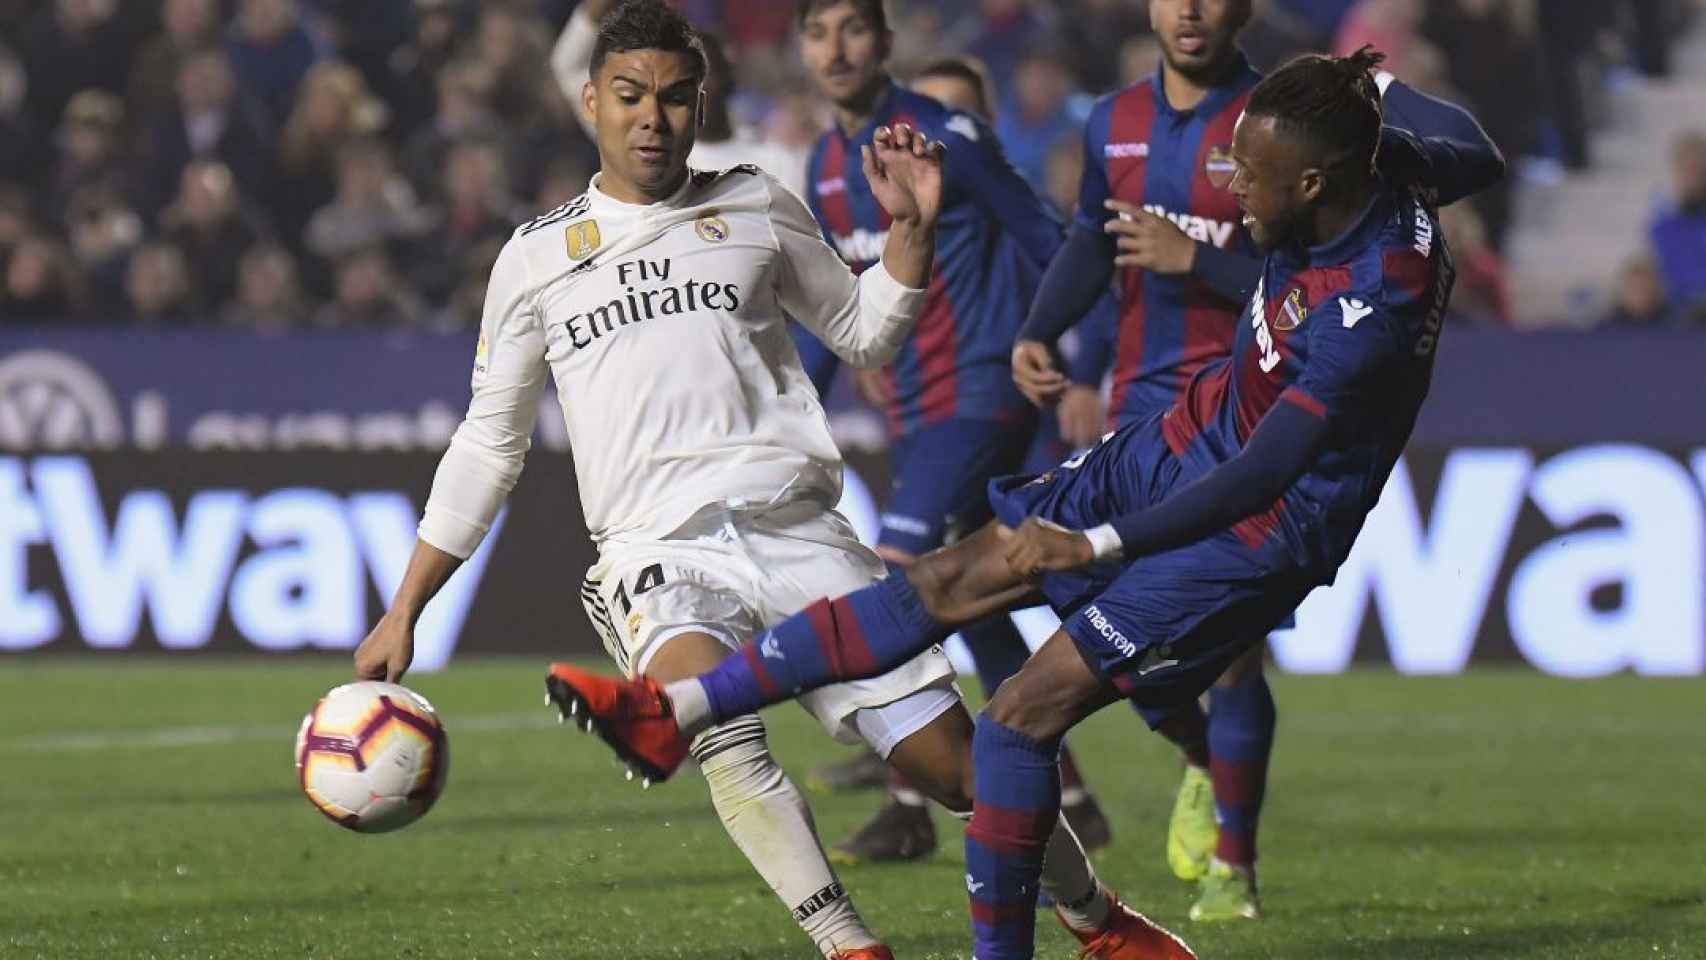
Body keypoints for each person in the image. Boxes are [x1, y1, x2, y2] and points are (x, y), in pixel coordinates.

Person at [548, 46, 1505, 960]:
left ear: (1311, 186)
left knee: (1016, 720)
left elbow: (1262, 474)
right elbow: (1480, 149)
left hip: (1257, 529)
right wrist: (1372, 87)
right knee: (947, 578)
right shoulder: (1378, 164)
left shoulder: (1374, 298)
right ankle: (669, 708)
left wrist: (1094, 543)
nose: (1230, 192)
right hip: (1182, 439)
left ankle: (1088, 922)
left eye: (1248, 177)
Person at [353, 3, 1140, 958]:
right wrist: (406, 607)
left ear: (700, 105)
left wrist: (911, 237)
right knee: (711, 725)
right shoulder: (531, 260)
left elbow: (862, 334)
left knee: (968, 773)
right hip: (658, 549)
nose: (653, 118)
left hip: (800, 531)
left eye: (676, 98)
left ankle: (1097, 919)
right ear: (593, 102)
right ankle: (852, 946)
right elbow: (488, 444)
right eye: (632, 97)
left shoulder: (759, 202)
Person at [787, 0, 1114, 866]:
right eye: (817, 33)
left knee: (892, 589)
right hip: (914, 413)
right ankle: (1070, 787)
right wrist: (785, 416)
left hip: (982, 396)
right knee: (975, 603)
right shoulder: (823, 162)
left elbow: (1053, 239)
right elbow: (830, 314)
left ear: (886, 43)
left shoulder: (946, 134)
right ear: (800, 48)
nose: (836, 49)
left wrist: (1086, 362)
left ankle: (909, 805)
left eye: (853, 29)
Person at [1012, 0, 1275, 921]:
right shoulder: (1112, 119)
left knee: (1232, 646)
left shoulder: (1273, 122)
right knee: (1089, 605)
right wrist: (1041, 327)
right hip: (1141, 410)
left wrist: (1194, 260)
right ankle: (1203, 752)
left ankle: (1234, 868)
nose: (1191, 11)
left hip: (1245, 411)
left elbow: (1307, 280)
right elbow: (1094, 235)